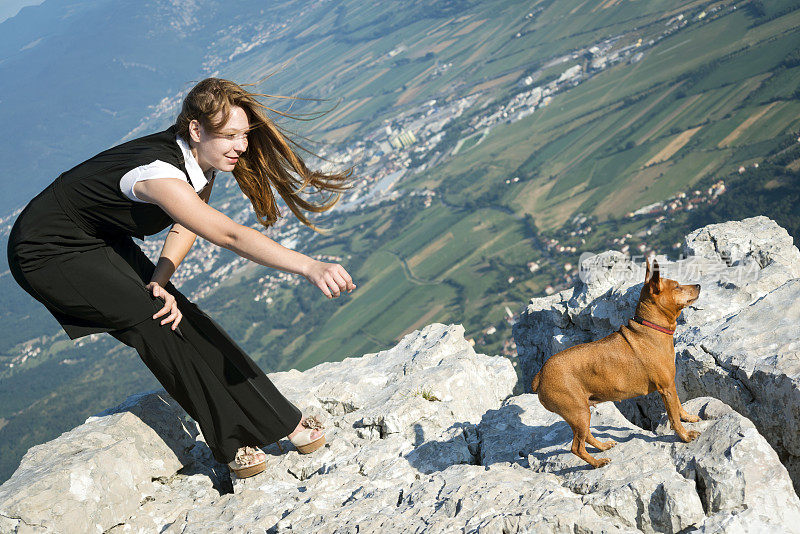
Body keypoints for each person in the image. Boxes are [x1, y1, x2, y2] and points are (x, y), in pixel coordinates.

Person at [6, 77, 356, 479]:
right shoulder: (160, 172)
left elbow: (184, 225)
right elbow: (228, 235)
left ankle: (285, 422)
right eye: (229, 135)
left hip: (96, 238)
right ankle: (230, 444)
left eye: (244, 134)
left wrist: (160, 278)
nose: (241, 145)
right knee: (154, 325)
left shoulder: (199, 162)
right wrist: (310, 266)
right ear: (196, 129)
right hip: (46, 252)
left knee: (182, 313)